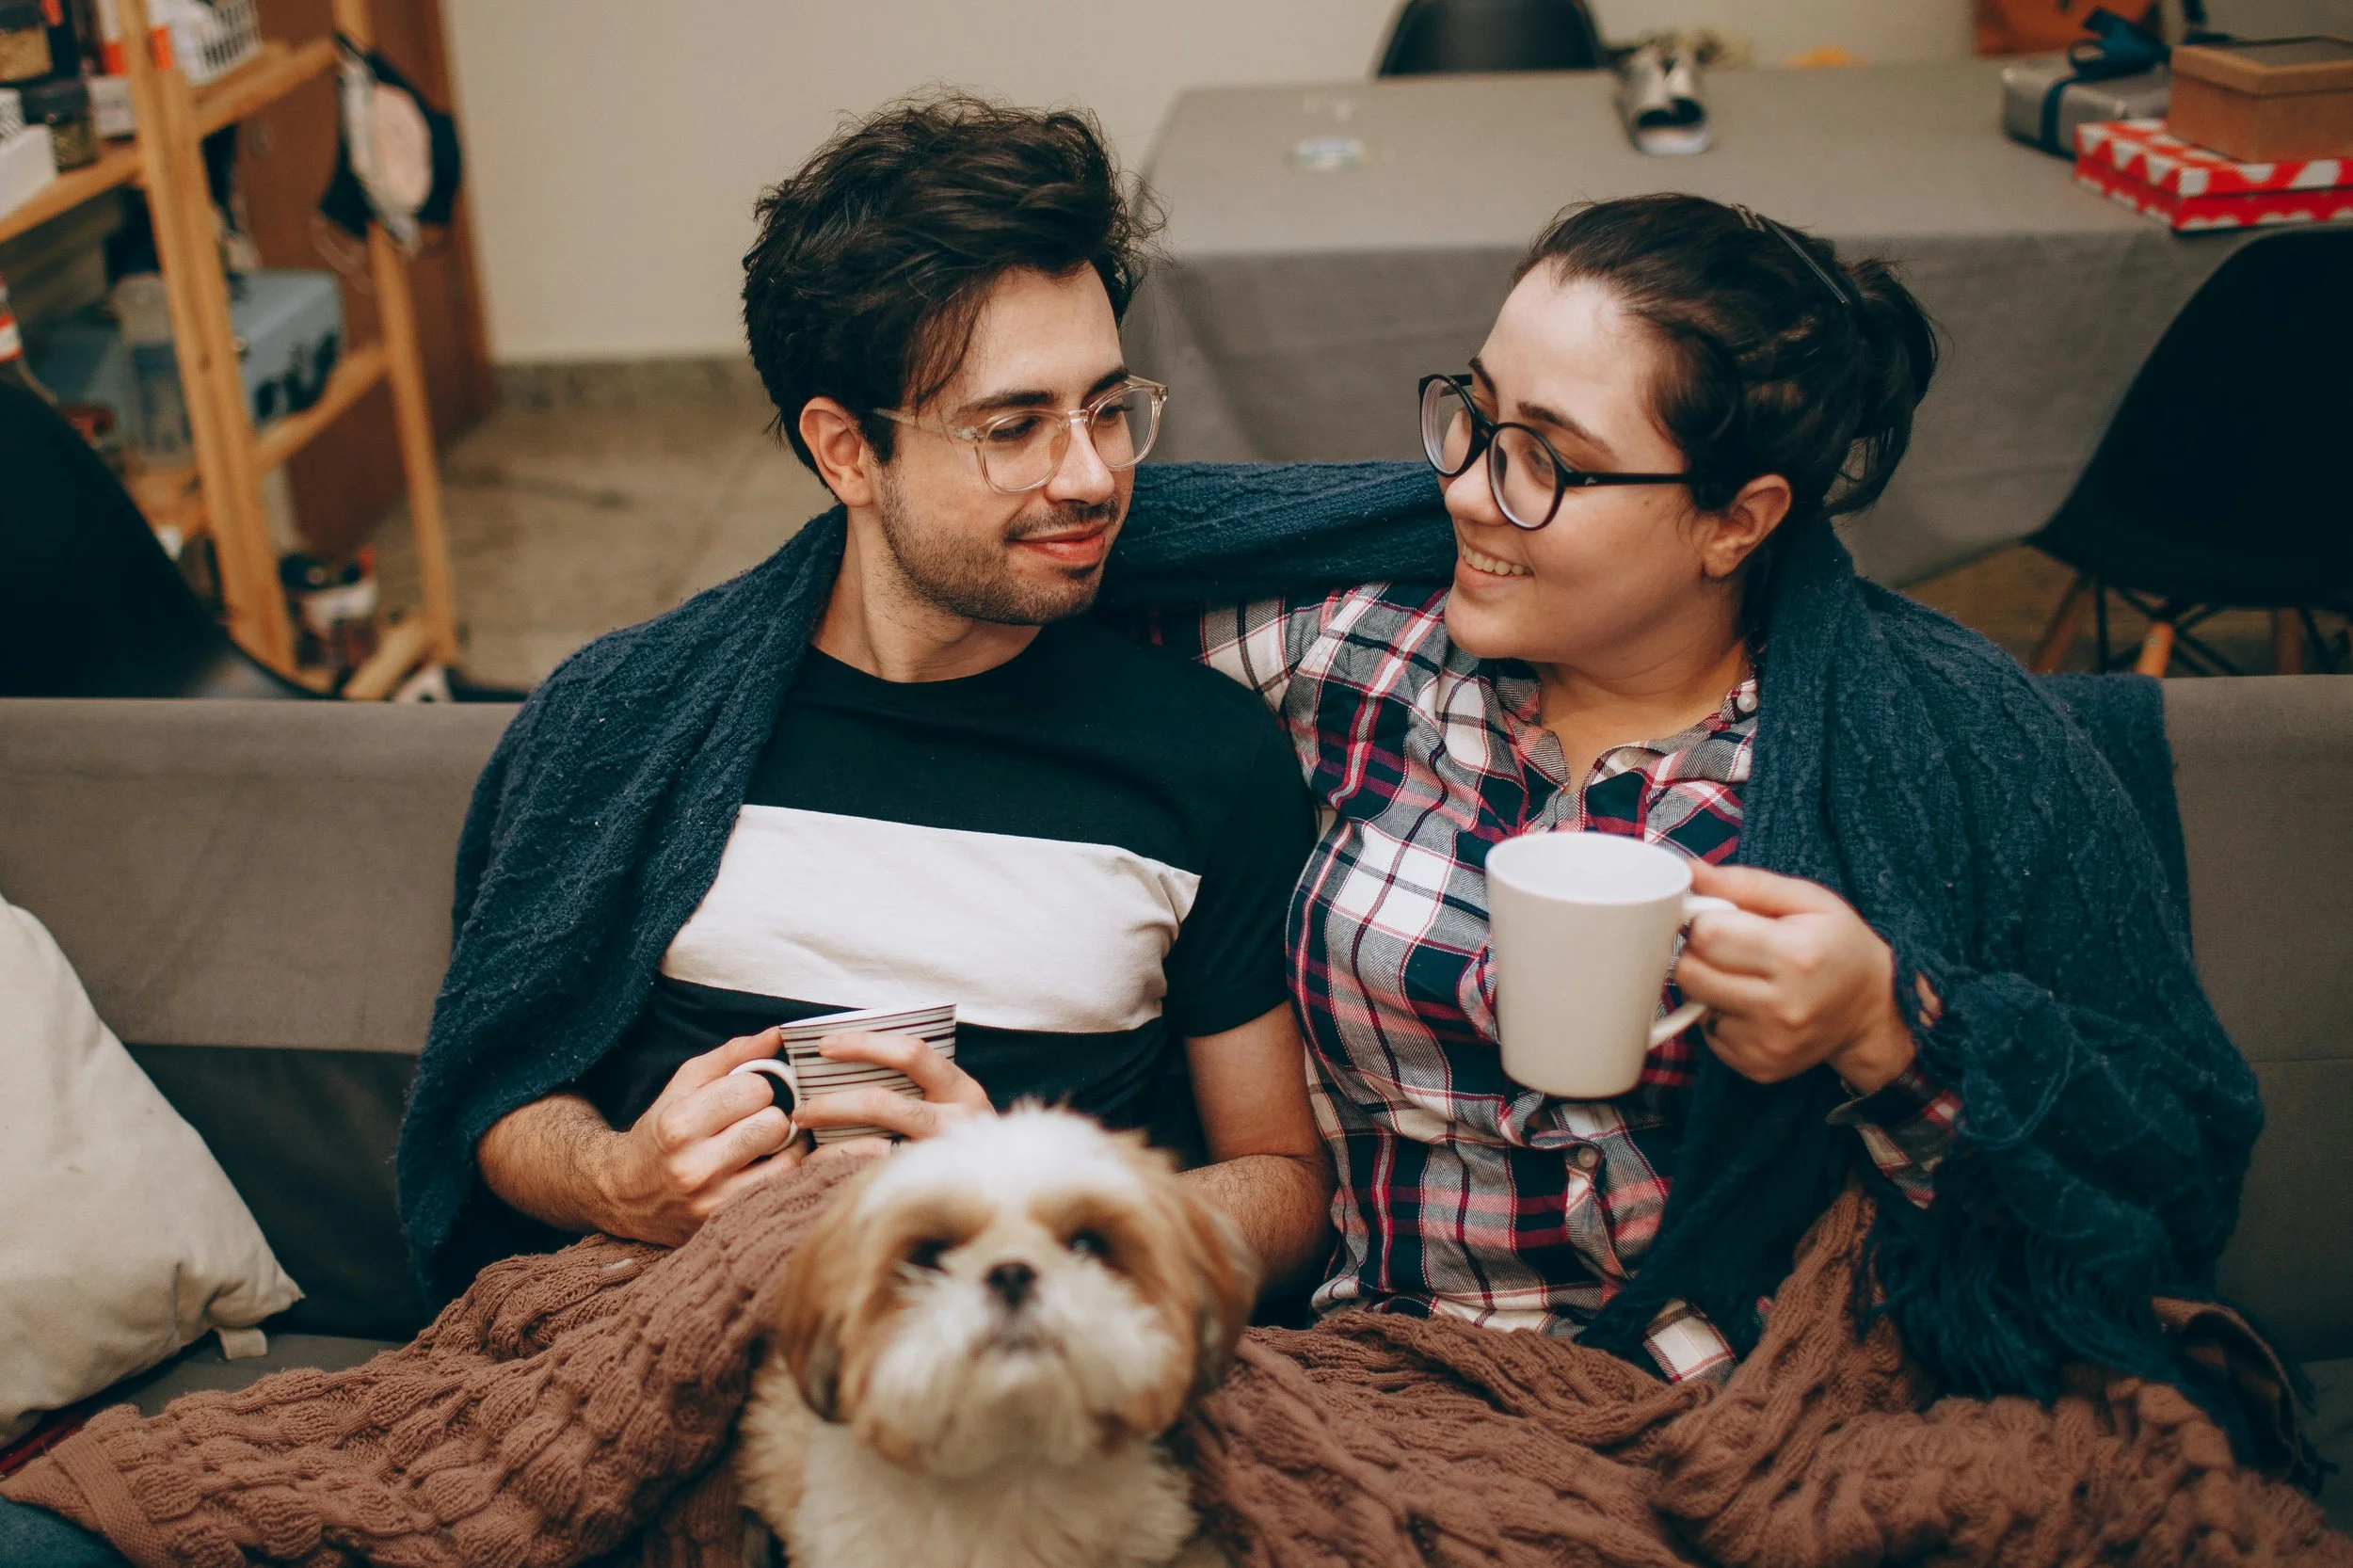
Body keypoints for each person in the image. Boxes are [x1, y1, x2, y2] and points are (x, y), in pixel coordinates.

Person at [1144, 193, 2260, 1400]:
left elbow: (2168, 1162)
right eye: (1472, 415)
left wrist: (1886, 1031)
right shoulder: (1353, 655)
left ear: (1736, 521)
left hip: (1744, 1403)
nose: (1466, 490)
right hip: (1383, 1387)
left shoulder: (1910, 753)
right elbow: (1029, 614)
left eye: (1544, 460)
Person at [400, 95, 1331, 1303]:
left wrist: (1049, 1204)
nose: (1093, 473)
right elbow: (493, 1092)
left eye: (1109, 408)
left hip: (1025, 1369)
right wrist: (616, 1179)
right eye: (1015, 428)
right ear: (845, 451)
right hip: (654, 1345)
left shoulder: (1202, 760)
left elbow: (1286, 1188)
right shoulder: (633, 730)